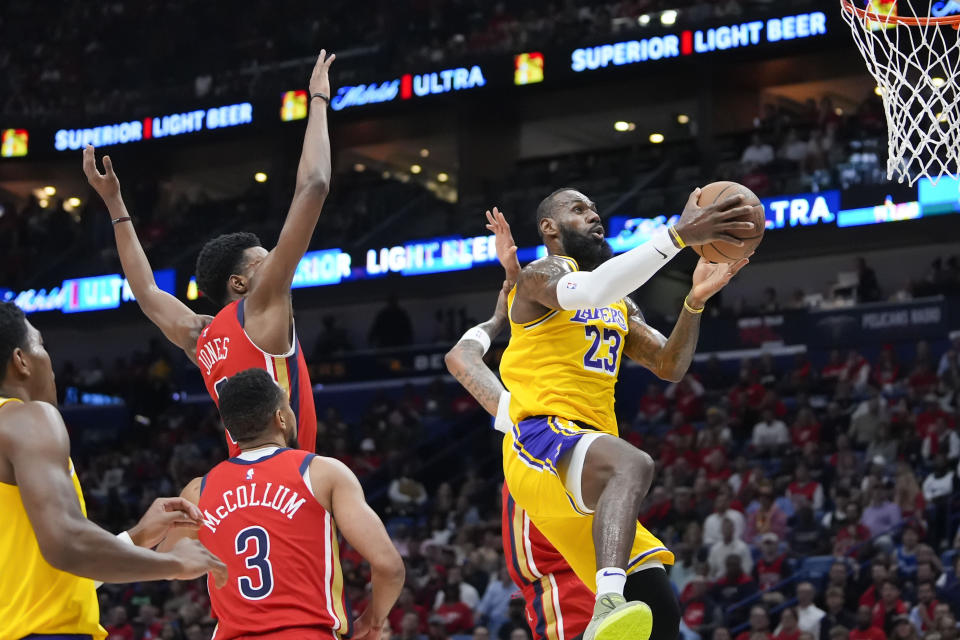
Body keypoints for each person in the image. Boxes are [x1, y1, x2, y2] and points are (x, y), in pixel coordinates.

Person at [498, 185, 752, 640]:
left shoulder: (620, 303)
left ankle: (616, 603)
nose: (594, 215)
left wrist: (694, 303)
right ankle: (608, 600)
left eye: (595, 208)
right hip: (540, 439)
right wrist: (676, 236)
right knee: (633, 463)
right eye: (578, 210)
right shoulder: (540, 275)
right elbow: (593, 286)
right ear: (549, 228)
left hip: (587, 461)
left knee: (661, 611)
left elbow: (669, 365)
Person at [82, 51, 336, 457]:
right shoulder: (263, 303)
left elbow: (146, 292)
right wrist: (319, 101)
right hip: (290, 476)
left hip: (240, 484)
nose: (276, 260)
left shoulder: (201, 337)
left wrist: (115, 205)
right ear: (240, 282)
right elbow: (315, 185)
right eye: (264, 259)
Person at [0, 302, 226, 639]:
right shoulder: (27, 419)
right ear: (21, 361)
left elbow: (31, 579)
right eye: (41, 346)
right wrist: (174, 563)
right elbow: (66, 543)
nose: (51, 363)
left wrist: (134, 539)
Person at [163, 368, 405, 639]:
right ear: (280, 418)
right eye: (288, 407)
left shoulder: (198, 490)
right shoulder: (322, 472)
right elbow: (389, 567)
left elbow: (168, 565)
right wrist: (372, 620)